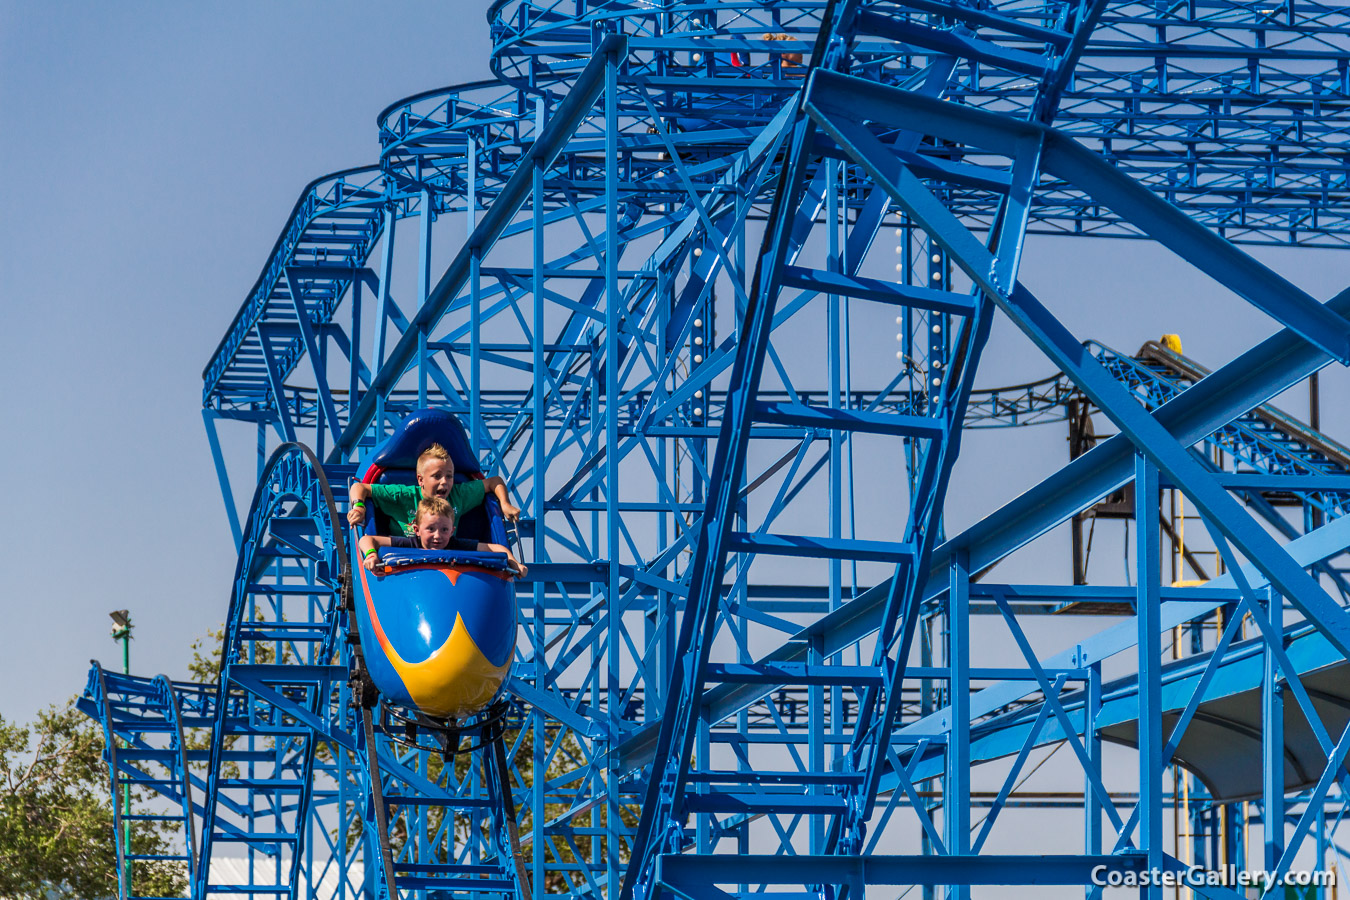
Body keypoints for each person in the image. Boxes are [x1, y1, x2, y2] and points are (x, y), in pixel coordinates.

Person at [346, 443, 521, 536]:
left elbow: (494, 482)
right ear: (421, 480)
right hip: (404, 563)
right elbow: (358, 487)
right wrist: (359, 507)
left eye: (450, 476)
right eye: (437, 476)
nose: (444, 483)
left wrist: (505, 504)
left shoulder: (458, 495)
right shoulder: (403, 496)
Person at [358, 497, 527, 577]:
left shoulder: (455, 544)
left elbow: (498, 549)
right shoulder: (409, 544)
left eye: (444, 530)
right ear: (416, 530)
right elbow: (366, 540)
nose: (437, 536)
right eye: (430, 529)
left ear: (452, 530)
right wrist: (371, 554)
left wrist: (514, 563)